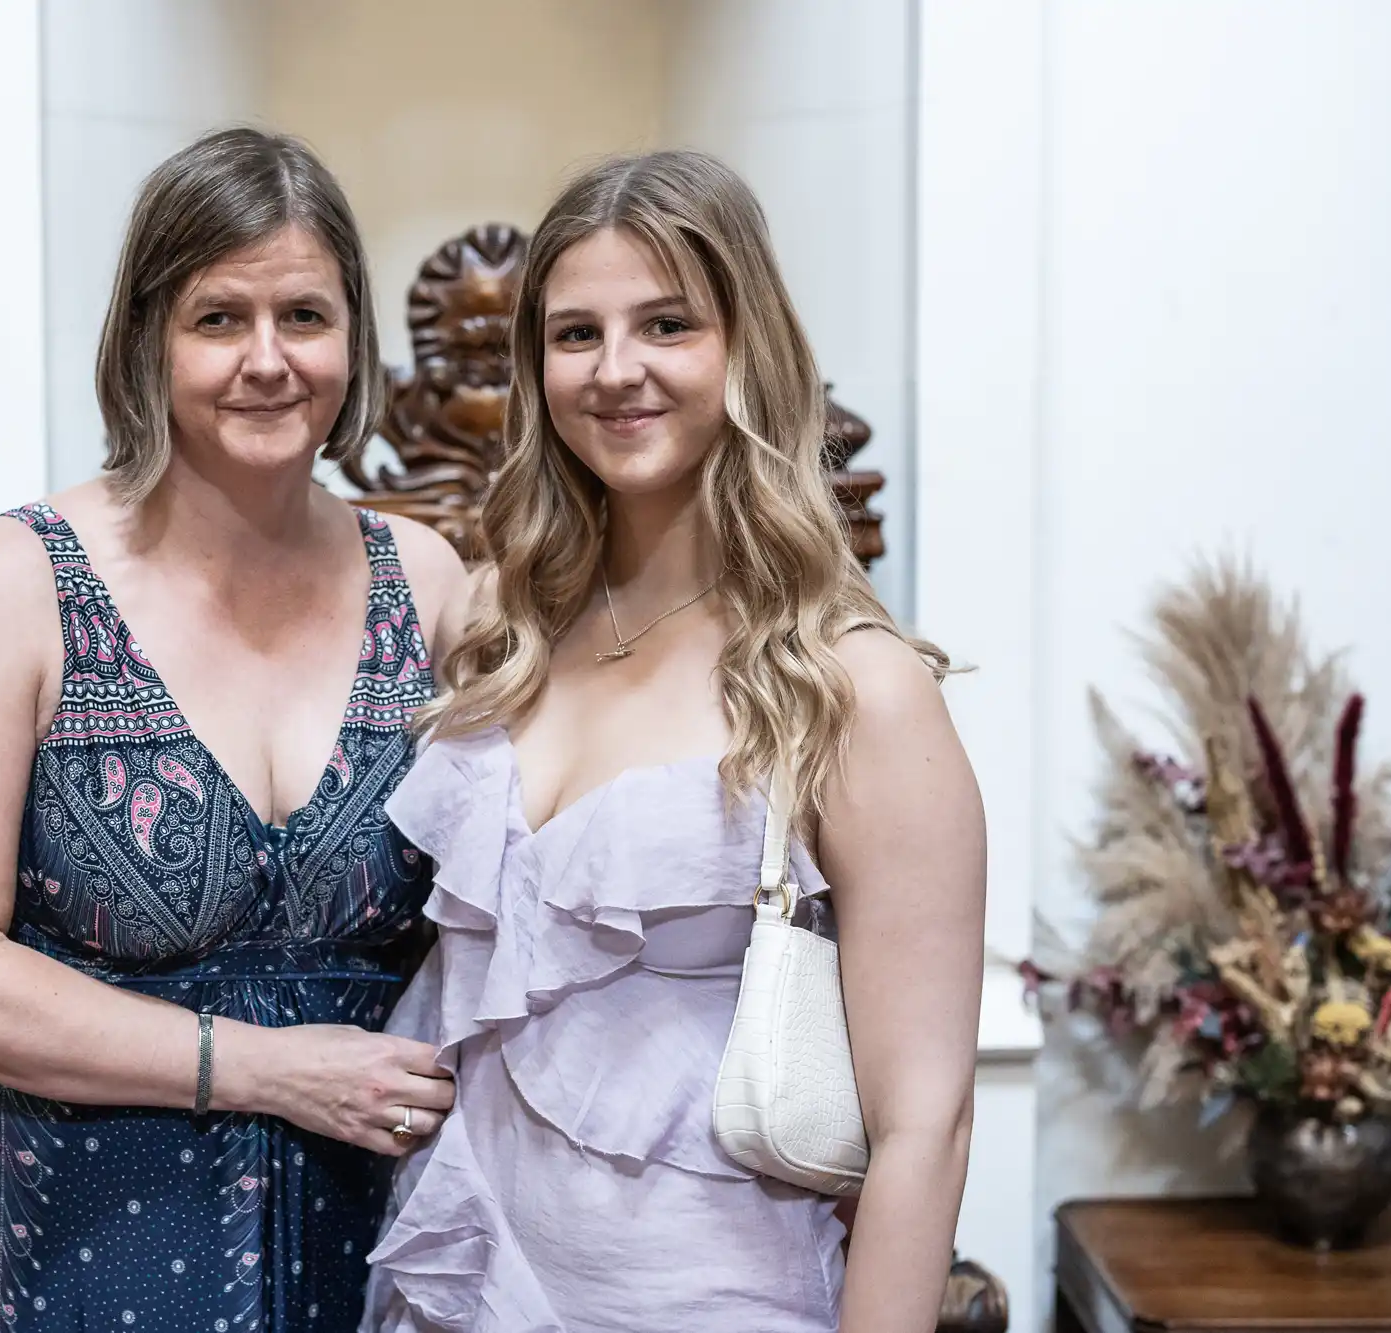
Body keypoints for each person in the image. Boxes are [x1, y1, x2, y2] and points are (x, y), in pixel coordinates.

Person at [362, 150, 987, 1332]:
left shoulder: (851, 684)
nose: (615, 371)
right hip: (461, 1284)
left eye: (664, 324)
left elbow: (925, 1126)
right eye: (574, 334)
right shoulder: (501, 628)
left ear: (743, 346)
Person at [0, 127, 469, 1333]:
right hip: (54, 1265)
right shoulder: (13, 582)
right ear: (146, 339)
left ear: (354, 340)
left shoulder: (429, 579)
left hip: (367, 1260)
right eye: (216, 319)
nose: (266, 360)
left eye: (303, 314)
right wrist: (264, 1067)